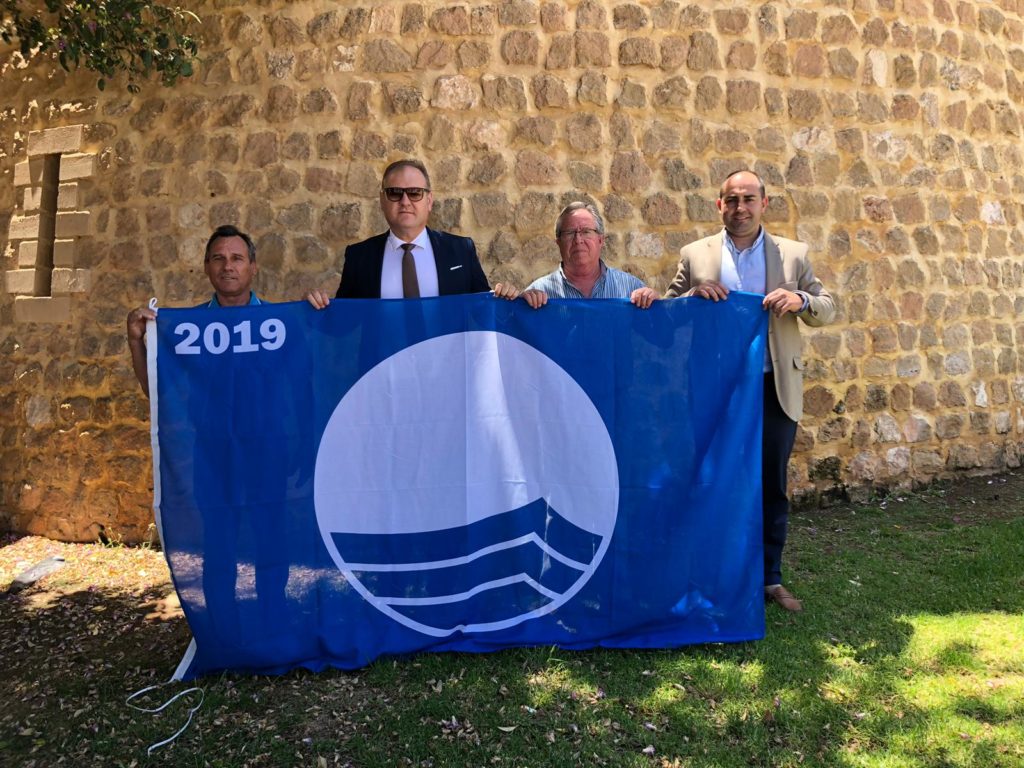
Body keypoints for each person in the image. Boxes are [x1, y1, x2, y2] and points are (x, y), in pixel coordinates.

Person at [664, 170, 835, 612]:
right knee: (711, 479)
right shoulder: (695, 254)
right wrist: (693, 297)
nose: (740, 207)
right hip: (715, 388)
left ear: (764, 203)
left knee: (770, 485)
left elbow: (827, 307)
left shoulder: (793, 255)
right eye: (732, 200)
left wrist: (801, 302)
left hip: (772, 386)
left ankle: (769, 580)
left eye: (749, 199)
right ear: (719, 205)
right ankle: (708, 576)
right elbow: (667, 315)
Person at [306, 159, 517, 306]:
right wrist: (314, 307)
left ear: (429, 200)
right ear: (382, 200)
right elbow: (345, 325)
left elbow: (482, 311)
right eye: (395, 193)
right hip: (385, 368)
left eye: (415, 193)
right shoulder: (359, 257)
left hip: (447, 367)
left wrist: (510, 300)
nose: (405, 201)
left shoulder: (460, 250)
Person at [126, 224, 263, 397]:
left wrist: (308, 317)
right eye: (218, 258)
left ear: (253, 267)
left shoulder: (282, 325)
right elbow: (160, 394)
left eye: (237, 258)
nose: (227, 266)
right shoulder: (188, 329)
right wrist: (135, 341)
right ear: (206, 267)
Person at [510, 201, 658, 309]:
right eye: (570, 233)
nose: (578, 240)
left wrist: (657, 306)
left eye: (586, 231)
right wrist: (521, 308)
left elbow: (664, 340)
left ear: (600, 240)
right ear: (558, 242)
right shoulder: (537, 294)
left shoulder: (631, 289)